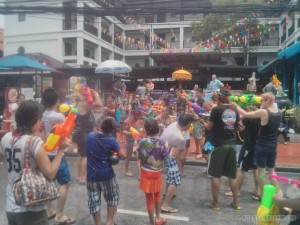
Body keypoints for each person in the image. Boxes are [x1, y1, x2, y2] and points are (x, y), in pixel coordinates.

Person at [0, 100, 69, 225]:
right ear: (35, 121)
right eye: (40, 119)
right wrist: (61, 150)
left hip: (11, 204)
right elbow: (51, 173)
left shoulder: (6, 137)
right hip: (31, 209)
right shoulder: (34, 142)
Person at [199, 88, 243, 211]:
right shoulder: (234, 109)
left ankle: (215, 204)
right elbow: (240, 128)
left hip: (219, 146)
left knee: (215, 176)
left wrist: (202, 121)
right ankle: (236, 203)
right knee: (232, 176)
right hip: (232, 145)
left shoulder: (216, 110)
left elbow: (209, 127)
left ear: (219, 98)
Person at [231, 92, 281, 199]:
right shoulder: (279, 112)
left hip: (262, 146)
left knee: (261, 173)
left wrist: (236, 106)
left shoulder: (263, 112)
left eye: (262, 100)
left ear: (268, 100)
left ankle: (263, 196)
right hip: (273, 147)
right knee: (272, 172)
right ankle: (278, 192)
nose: (261, 102)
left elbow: (245, 114)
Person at [42, 88, 75, 224]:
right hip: (56, 153)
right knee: (64, 183)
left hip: (46, 151)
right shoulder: (58, 117)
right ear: (57, 101)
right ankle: (59, 215)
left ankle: (48, 211)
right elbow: (67, 130)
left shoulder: (44, 114)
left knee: (49, 182)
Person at [86, 117, 125, 225]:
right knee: (112, 196)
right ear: (112, 130)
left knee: (94, 200)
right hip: (106, 174)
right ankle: (109, 222)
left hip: (91, 176)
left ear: (101, 126)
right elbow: (123, 155)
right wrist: (113, 152)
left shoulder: (89, 137)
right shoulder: (112, 140)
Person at [160, 114, 194, 213]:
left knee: (171, 176)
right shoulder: (180, 138)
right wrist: (180, 168)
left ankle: (167, 193)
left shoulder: (174, 124)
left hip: (163, 152)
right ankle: (165, 205)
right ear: (187, 124)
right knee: (175, 180)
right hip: (168, 155)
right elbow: (178, 153)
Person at [137, 119, 168, 225]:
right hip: (157, 173)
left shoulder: (143, 141)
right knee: (158, 194)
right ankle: (158, 217)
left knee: (149, 197)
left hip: (146, 173)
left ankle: (152, 222)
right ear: (157, 129)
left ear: (146, 129)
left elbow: (139, 156)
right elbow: (165, 159)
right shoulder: (163, 142)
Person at [72, 89, 102, 184]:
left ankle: (78, 175)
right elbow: (99, 104)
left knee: (81, 155)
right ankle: (82, 177)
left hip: (80, 133)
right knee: (86, 155)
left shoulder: (81, 103)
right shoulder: (85, 103)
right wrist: (96, 94)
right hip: (83, 134)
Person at [123, 109, 143, 177]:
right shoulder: (127, 121)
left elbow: (141, 130)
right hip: (129, 142)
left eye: (138, 116)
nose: (137, 118)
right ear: (133, 114)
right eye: (136, 116)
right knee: (128, 157)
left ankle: (140, 175)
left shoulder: (139, 121)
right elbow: (123, 131)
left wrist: (140, 133)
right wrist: (131, 133)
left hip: (137, 142)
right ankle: (126, 171)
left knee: (138, 158)